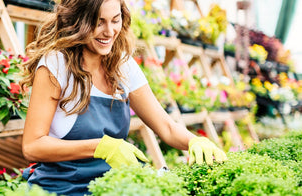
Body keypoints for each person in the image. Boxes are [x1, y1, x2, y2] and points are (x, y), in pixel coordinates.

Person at [19, 0, 227, 195]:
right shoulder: (56, 65)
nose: (109, 32)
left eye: (115, 20)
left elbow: (167, 127)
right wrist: (101, 146)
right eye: (98, 22)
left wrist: (196, 141)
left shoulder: (122, 66)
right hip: (62, 188)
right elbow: (32, 146)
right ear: (78, 21)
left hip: (112, 187)